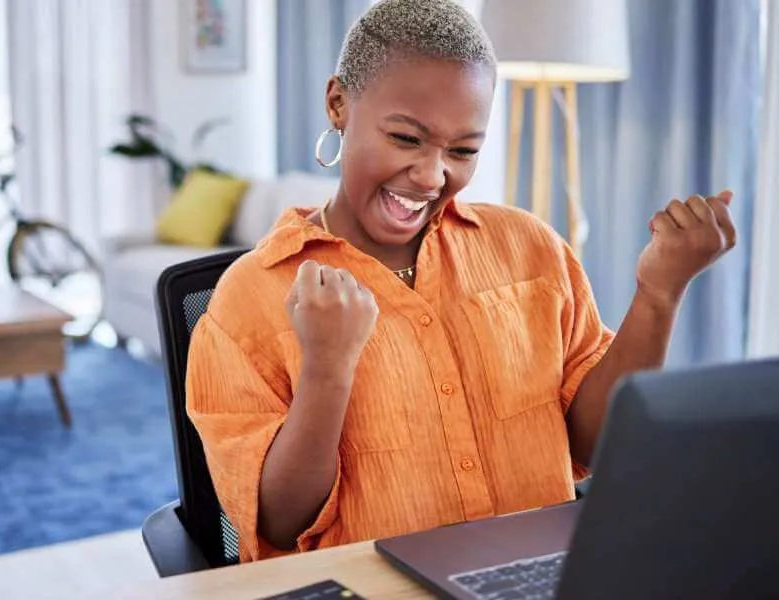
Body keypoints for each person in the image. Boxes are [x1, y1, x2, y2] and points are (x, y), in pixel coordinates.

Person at [185, 0, 737, 563]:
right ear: (338, 104)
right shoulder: (249, 301)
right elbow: (279, 523)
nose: (431, 175)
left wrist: (659, 293)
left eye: (463, 150)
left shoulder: (529, 249)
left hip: (535, 576)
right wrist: (326, 369)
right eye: (406, 139)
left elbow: (596, 445)